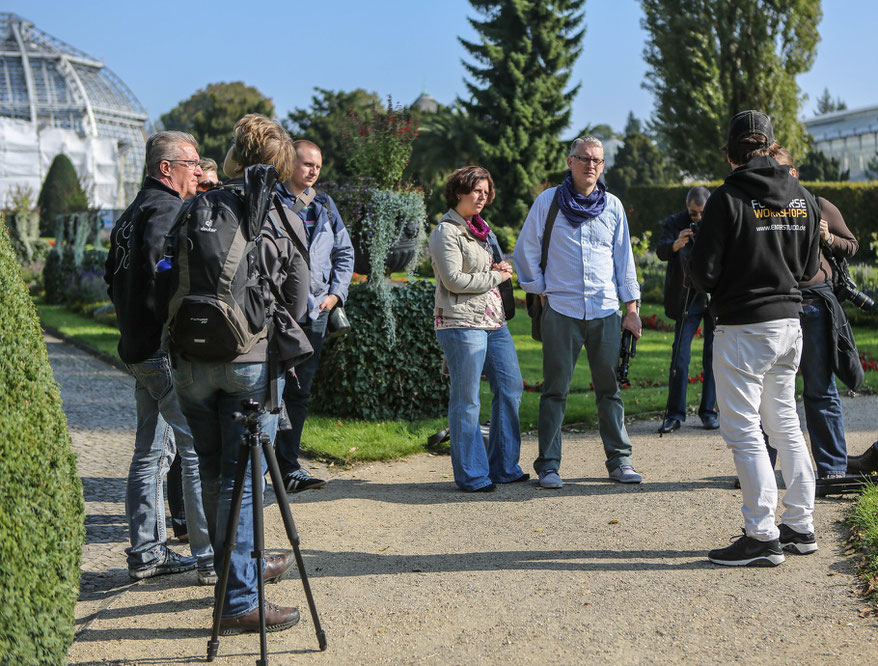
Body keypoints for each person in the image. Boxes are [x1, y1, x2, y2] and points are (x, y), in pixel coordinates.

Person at [170, 115, 310, 634]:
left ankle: (234, 569)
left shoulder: (198, 205)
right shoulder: (279, 212)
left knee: (211, 471)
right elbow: (298, 298)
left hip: (190, 359)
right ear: (281, 163)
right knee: (243, 482)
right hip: (248, 362)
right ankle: (239, 600)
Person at [689, 110, 821, 567]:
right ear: (770, 144)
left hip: (745, 326)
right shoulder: (803, 197)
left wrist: (693, 253)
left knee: (744, 430)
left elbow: (703, 274)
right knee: (784, 423)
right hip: (789, 323)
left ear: (730, 155)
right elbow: (808, 271)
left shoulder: (727, 199)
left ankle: (762, 534)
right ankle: (800, 526)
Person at [104, 131, 215, 584]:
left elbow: (113, 279)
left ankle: (147, 553)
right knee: (195, 451)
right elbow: (163, 274)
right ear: (166, 168)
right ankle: (211, 560)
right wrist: (179, 324)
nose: (197, 171)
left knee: (149, 453)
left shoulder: (132, 212)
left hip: (135, 346)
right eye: (190, 163)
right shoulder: (168, 208)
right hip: (161, 350)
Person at [513, 136, 643, 489]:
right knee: (555, 391)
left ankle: (620, 461)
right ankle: (549, 465)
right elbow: (525, 249)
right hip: (562, 309)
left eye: (597, 161)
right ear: (569, 162)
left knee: (609, 390)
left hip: (604, 310)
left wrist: (631, 309)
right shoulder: (548, 201)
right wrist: (540, 291)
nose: (591, 165)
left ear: (603, 166)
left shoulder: (613, 206)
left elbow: (623, 261)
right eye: (583, 158)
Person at [428, 166, 527, 492]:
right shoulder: (447, 231)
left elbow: (479, 271)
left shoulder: (482, 230)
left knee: (511, 387)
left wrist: (496, 267)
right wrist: (496, 277)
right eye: (476, 191)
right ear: (459, 191)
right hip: (460, 323)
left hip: (493, 321)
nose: (482, 197)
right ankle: (472, 475)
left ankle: (503, 466)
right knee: (467, 400)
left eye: (486, 191)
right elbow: (453, 280)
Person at [773, 147, 859, 479]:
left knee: (820, 389)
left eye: (779, 170)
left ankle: (833, 468)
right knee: (770, 392)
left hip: (814, 303)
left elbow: (851, 244)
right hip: (776, 303)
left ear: (793, 172)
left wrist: (828, 236)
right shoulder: (762, 208)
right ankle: (760, 468)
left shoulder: (818, 204)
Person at [273, 139, 354, 493]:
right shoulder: (271, 201)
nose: (313, 171)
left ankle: (288, 468)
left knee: (300, 393)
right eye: (307, 164)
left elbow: (344, 252)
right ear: (289, 163)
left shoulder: (324, 204)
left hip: (315, 313)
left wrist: (335, 294)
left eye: (318, 166)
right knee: (268, 391)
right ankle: (262, 471)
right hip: (276, 315)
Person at [656, 186, 718, 433]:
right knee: (680, 355)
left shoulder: (716, 221)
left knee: (713, 357)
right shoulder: (675, 222)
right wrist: (675, 245)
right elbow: (660, 250)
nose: (697, 218)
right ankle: (675, 413)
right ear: (686, 206)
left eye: (702, 213)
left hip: (713, 297)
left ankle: (708, 412)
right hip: (687, 297)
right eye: (693, 213)